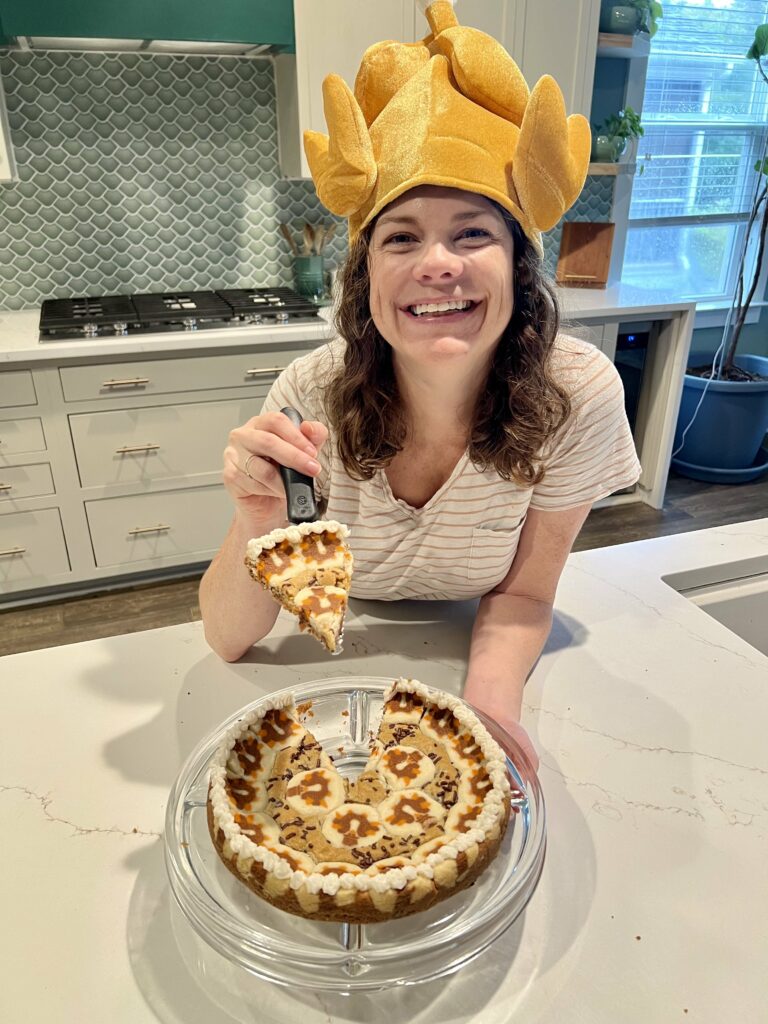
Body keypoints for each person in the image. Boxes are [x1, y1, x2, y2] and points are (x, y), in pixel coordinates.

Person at [199, 1, 641, 769]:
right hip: (345, 664)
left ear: (519, 266)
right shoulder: (309, 395)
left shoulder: (579, 395)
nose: (437, 262)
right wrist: (256, 520)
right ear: (366, 278)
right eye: (401, 237)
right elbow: (230, 639)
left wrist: (487, 714)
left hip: (478, 635)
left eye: (473, 232)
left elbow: (526, 596)